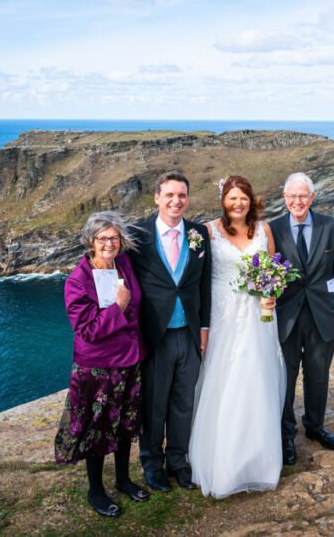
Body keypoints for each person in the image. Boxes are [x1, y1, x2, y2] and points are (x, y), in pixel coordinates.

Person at [189, 175, 285, 498]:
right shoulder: (208, 231)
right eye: (232, 198)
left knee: (257, 381)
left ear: (251, 199)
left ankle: (258, 462)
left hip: (259, 318)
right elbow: (195, 276)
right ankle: (223, 464)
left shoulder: (265, 230)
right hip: (225, 317)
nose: (238, 203)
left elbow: (272, 271)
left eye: (243, 197)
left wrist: (271, 294)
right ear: (223, 201)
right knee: (226, 382)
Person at [54, 211, 148, 518]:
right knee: (97, 430)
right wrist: (119, 308)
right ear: (90, 241)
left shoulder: (124, 264)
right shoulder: (77, 281)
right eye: (103, 238)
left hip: (129, 361)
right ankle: (96, 490)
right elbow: (87, 331)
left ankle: (123, 480)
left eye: (114, 237)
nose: (109, 243)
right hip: (97, 368)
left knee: (125, 424)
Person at [129, 171, 212, 492]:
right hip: (155, 337)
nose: (176, 201)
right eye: (170, 195)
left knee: (183, 402)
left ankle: (178, 461)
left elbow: (203, 284)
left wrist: (204, 327)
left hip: (189, 335)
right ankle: (152, 463)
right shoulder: (137, 235)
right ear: (157, 198)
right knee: (154, 404)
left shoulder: (198, 234)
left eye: (182, 195)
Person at [269, 172, 334, 466]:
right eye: (292, 196)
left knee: (318, 376)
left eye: (303, 196)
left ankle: (315, 426)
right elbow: (267, 273)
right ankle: (285, 435)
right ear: (285, 197)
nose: (297, 201)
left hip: (322, 316)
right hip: (286, 316)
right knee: (285, 380)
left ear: (312, 198)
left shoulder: (332, 227)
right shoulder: (272, 229)